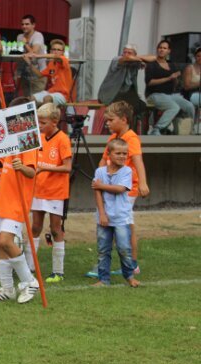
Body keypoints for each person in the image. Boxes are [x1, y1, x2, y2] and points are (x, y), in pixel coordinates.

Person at [86, 101, 149, 278]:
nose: (107, 123)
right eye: (106, 120)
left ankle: (131, 265)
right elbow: (103, 160)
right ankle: (111, 264)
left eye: (111, 120)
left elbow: (138, 161)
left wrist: (143, 183)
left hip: (126, 190)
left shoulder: (131, 138)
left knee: (125, 226)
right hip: (110, 187)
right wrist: (99, 177)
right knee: (115, 225)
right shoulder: (113, 138)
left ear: (124, 119)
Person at [0, 124, 40, 304]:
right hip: (3, 199)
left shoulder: (28, 140)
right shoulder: (9, 142)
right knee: (0, 244)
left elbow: (32, 172)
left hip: (17, 202)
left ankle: (29, 281)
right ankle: (7, 289)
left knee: (5, 242)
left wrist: (21, 167)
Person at [23, 104, 72, 283]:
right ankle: (29, 268)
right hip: (38, 189)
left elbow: (67, 167)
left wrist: (45, 167)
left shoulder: (63, 139)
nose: (40, 126)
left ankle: (58, 271)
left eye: (43, 122)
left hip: (55, 192)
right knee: (35, 227)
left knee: (55, 229)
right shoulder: (38, 137)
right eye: (38, 122)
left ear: (55, 122)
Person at [91, 139, 139, 288]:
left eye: (125, 153)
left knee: (124, 248)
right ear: (109, 154)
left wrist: (101, 185)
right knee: (103, 249)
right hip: (104, 218)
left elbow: (120, 189)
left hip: (121, 218)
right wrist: (102, 214)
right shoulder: (99, 172)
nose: (122, 156)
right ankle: (103, 279)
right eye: (118, 153)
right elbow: (97, 193)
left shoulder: (127, 171)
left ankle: (129, 276)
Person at [145, 40, 195, 136]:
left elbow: (174, 81)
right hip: (155, 94)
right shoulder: (152, 64)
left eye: (164, 48)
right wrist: (169, 78)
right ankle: (157, 129)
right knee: (174, 107)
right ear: (157, 49)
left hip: (171, 95)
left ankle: (188, 129)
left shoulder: (171, 64)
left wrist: (176, 79)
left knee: (189, 106)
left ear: (169, 51)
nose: (162, 50)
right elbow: (149, 82)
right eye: (160, 48)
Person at [97, 44, 156, 123]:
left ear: (135, 54)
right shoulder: (117, 59)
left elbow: (154, 58)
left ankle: (127, 125)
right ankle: (122, 125)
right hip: (112, 93)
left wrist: (137, 59)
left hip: (127, 92)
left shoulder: (135, 62)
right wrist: (138, 59)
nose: (126, 54)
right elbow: (127, 58)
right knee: (127, 108)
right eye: (124, 52)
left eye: (129, 52)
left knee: (141, 106)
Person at [25, 39, 73, 106]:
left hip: (63, 95)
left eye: (59, 50)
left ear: (63, 52)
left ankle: (45, 113)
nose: (56, 51)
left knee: (47, 98)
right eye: (54, 49)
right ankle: (37, 113)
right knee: (32, 98)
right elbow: (39, 75)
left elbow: (56, 56)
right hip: (51, 92)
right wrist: (29, 63)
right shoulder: (51, 63)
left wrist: (37, 55)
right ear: (50, 51)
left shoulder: (64, 59)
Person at [15, 15, 47, 96]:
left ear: (33, 25)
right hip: (25, 74)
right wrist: (17, 73)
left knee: (37, 100)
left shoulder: (38, 35)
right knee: (26, 100)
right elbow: (20, 54)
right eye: (22, 24)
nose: (24, 26)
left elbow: (34, 53)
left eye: (27, 24)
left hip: (38, 74)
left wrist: (25, 43)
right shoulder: (20, 37)